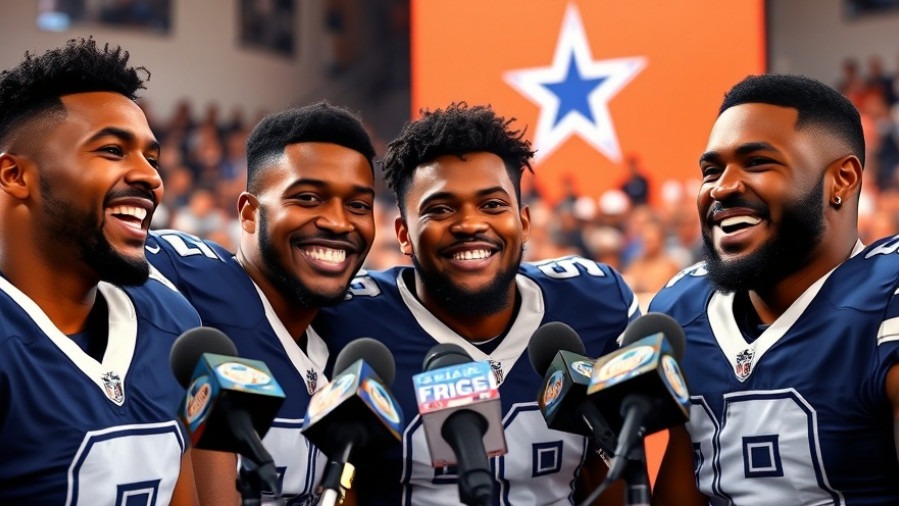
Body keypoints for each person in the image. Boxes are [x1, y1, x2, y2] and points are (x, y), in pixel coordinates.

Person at [314, 102, 640, 505]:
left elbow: (608, 475)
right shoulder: (348, 319)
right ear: (404, 234)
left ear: (523, 223)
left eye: (492, 205)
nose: (470, 224)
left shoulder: (593, 304)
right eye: (441, 208)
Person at [649, 74, 899, 504]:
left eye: (758, 162)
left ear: (840, 180)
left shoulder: (885, 298)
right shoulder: (681, 310)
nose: (722, 187)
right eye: (712, 170)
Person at [0, 38, 201, 504]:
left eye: (152, 158)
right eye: (113, 150)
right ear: (15, 175)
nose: (151, 177)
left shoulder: (173, 320)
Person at [146, 101, 378, 504]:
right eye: (307, 198)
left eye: (358, 205)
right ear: (250, 214)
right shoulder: (189, 282)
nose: (339, 222)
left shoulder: (354, 329)